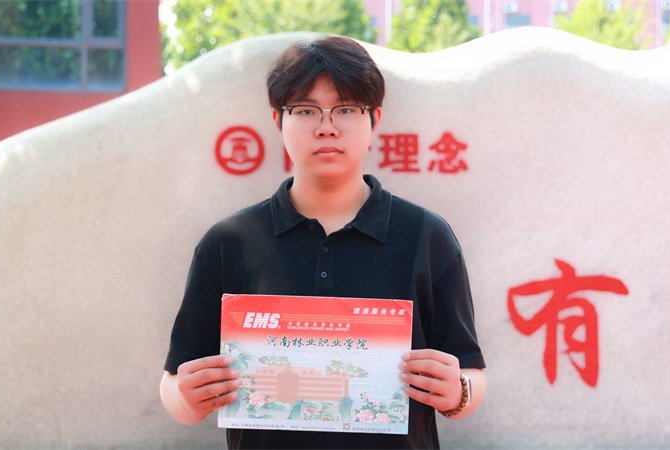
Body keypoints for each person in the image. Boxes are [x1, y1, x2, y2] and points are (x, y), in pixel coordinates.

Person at [160, 35, 486, 449]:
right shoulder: (229, 243)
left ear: (375, 119)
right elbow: (174, 382)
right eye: (305, 110)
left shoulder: (427, 237)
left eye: (346, 109)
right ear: (278, 120)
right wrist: (186, 400)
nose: (326, 126)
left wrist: (458, 392)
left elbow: (471, 372)